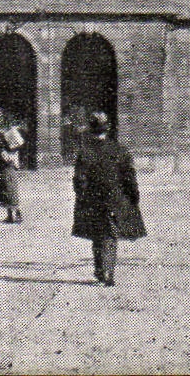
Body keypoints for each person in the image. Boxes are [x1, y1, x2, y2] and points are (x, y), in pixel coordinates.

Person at [71, 111, 145, 286]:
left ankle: (100, 268)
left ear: (91, 130)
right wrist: (134, 197)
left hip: (93, 199)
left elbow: (79, 179)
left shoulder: (85, 153)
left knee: (98, 233)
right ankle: (108, 270)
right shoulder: (120, 150)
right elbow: (130, 178)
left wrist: (82, 196)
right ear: (108, 129)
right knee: (111, 234)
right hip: (115, 198)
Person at [0, 110, 25, 224]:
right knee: (4, 188)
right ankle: (10, 216)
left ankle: (18, 214)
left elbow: (18, 143)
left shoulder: (9, 128)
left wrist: (10, 151)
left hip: (10, 160)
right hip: (2, 161)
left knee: (11, 187)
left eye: (0, 116)